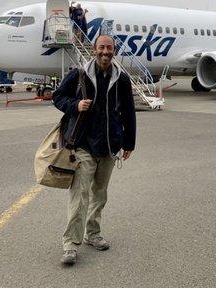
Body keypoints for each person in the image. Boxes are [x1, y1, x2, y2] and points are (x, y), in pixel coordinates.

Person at [52, 34, 136, 266]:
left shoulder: (122, 80)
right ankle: (70, 244)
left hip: (109, 146)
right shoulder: (79, 74)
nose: (105, 52)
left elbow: (129, 112)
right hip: (83, 145)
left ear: (114, 50)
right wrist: (74, 105)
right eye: (101, 48)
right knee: (80, 195)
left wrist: (129, 143)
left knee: (100, 194)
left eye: (109, 48)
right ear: (94, 49)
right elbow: (58, 97)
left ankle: (93, 233)